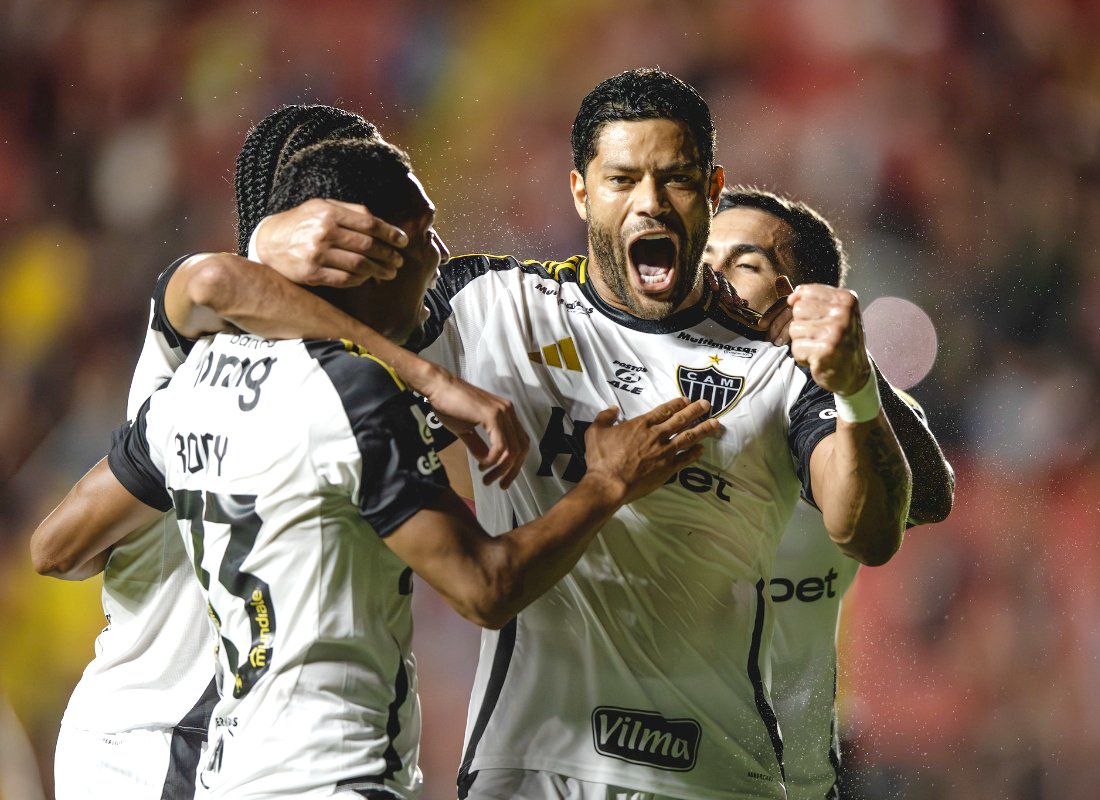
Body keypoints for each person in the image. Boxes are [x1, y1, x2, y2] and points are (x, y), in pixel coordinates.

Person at [231, 68, 912, 800]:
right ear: (581, 191)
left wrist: (857, 387)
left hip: (714, 778)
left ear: (713, 192)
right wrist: (264, 243)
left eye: (675, 180)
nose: (649, 202)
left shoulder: (774, 362)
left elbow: (868, 532)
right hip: (529, 768)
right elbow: (293, 325)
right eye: (622, 180)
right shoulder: (489, 305)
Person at [35, 136, 720, 799]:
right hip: (325, 771)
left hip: (213, 765)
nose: (442, 254)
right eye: (425, 235)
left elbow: (54, 547)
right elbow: (487, 585)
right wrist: (607, 484)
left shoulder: (191, 379)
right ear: (366, 254)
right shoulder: (353, 393)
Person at [29, 104, 530, 800]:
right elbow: (212, 283)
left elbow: (56, 550)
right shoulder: (198, 335)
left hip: (190, 742)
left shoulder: (335, 369)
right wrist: (266, 244)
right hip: (175, 732)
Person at [705, 185, 954, 798]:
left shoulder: (836, 410)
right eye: (703, 256)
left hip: (791, 759)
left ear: (798, 302)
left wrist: (853, 374)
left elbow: (929, 495)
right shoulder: (637, 370)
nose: (709, 276)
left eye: (741, 264)